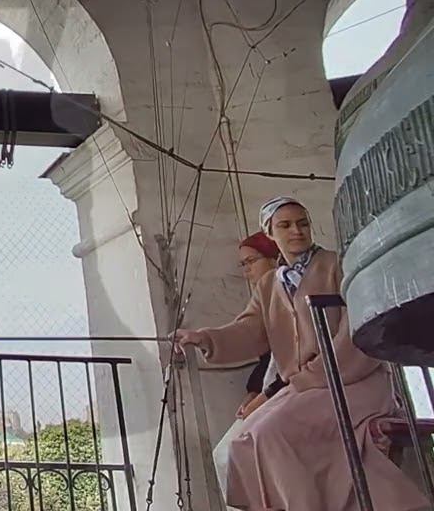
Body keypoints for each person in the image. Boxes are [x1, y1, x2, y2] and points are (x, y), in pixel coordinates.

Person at [176, 197, 427, 511]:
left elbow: (356, 334)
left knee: (272, 433)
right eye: (285, 225)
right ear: (270, 233)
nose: (296, 231)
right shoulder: (269, 285)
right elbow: (249, 330)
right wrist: (204, 338)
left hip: (353, 382)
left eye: (302, 223)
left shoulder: (340, 266)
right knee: (242, 444)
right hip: (305, 387)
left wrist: (311, 376)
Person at [210, 231, 284, 508]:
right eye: (244, 264)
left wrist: (263, 396)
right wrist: (254, 392)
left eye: (251, 261)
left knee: (236, 452)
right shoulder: (265, 297)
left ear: (274, 259)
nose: (247, 271)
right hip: (272, 388)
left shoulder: (289, 289)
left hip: (295, 388)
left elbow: (294, 357)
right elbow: (265, 356)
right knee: (226, 454)